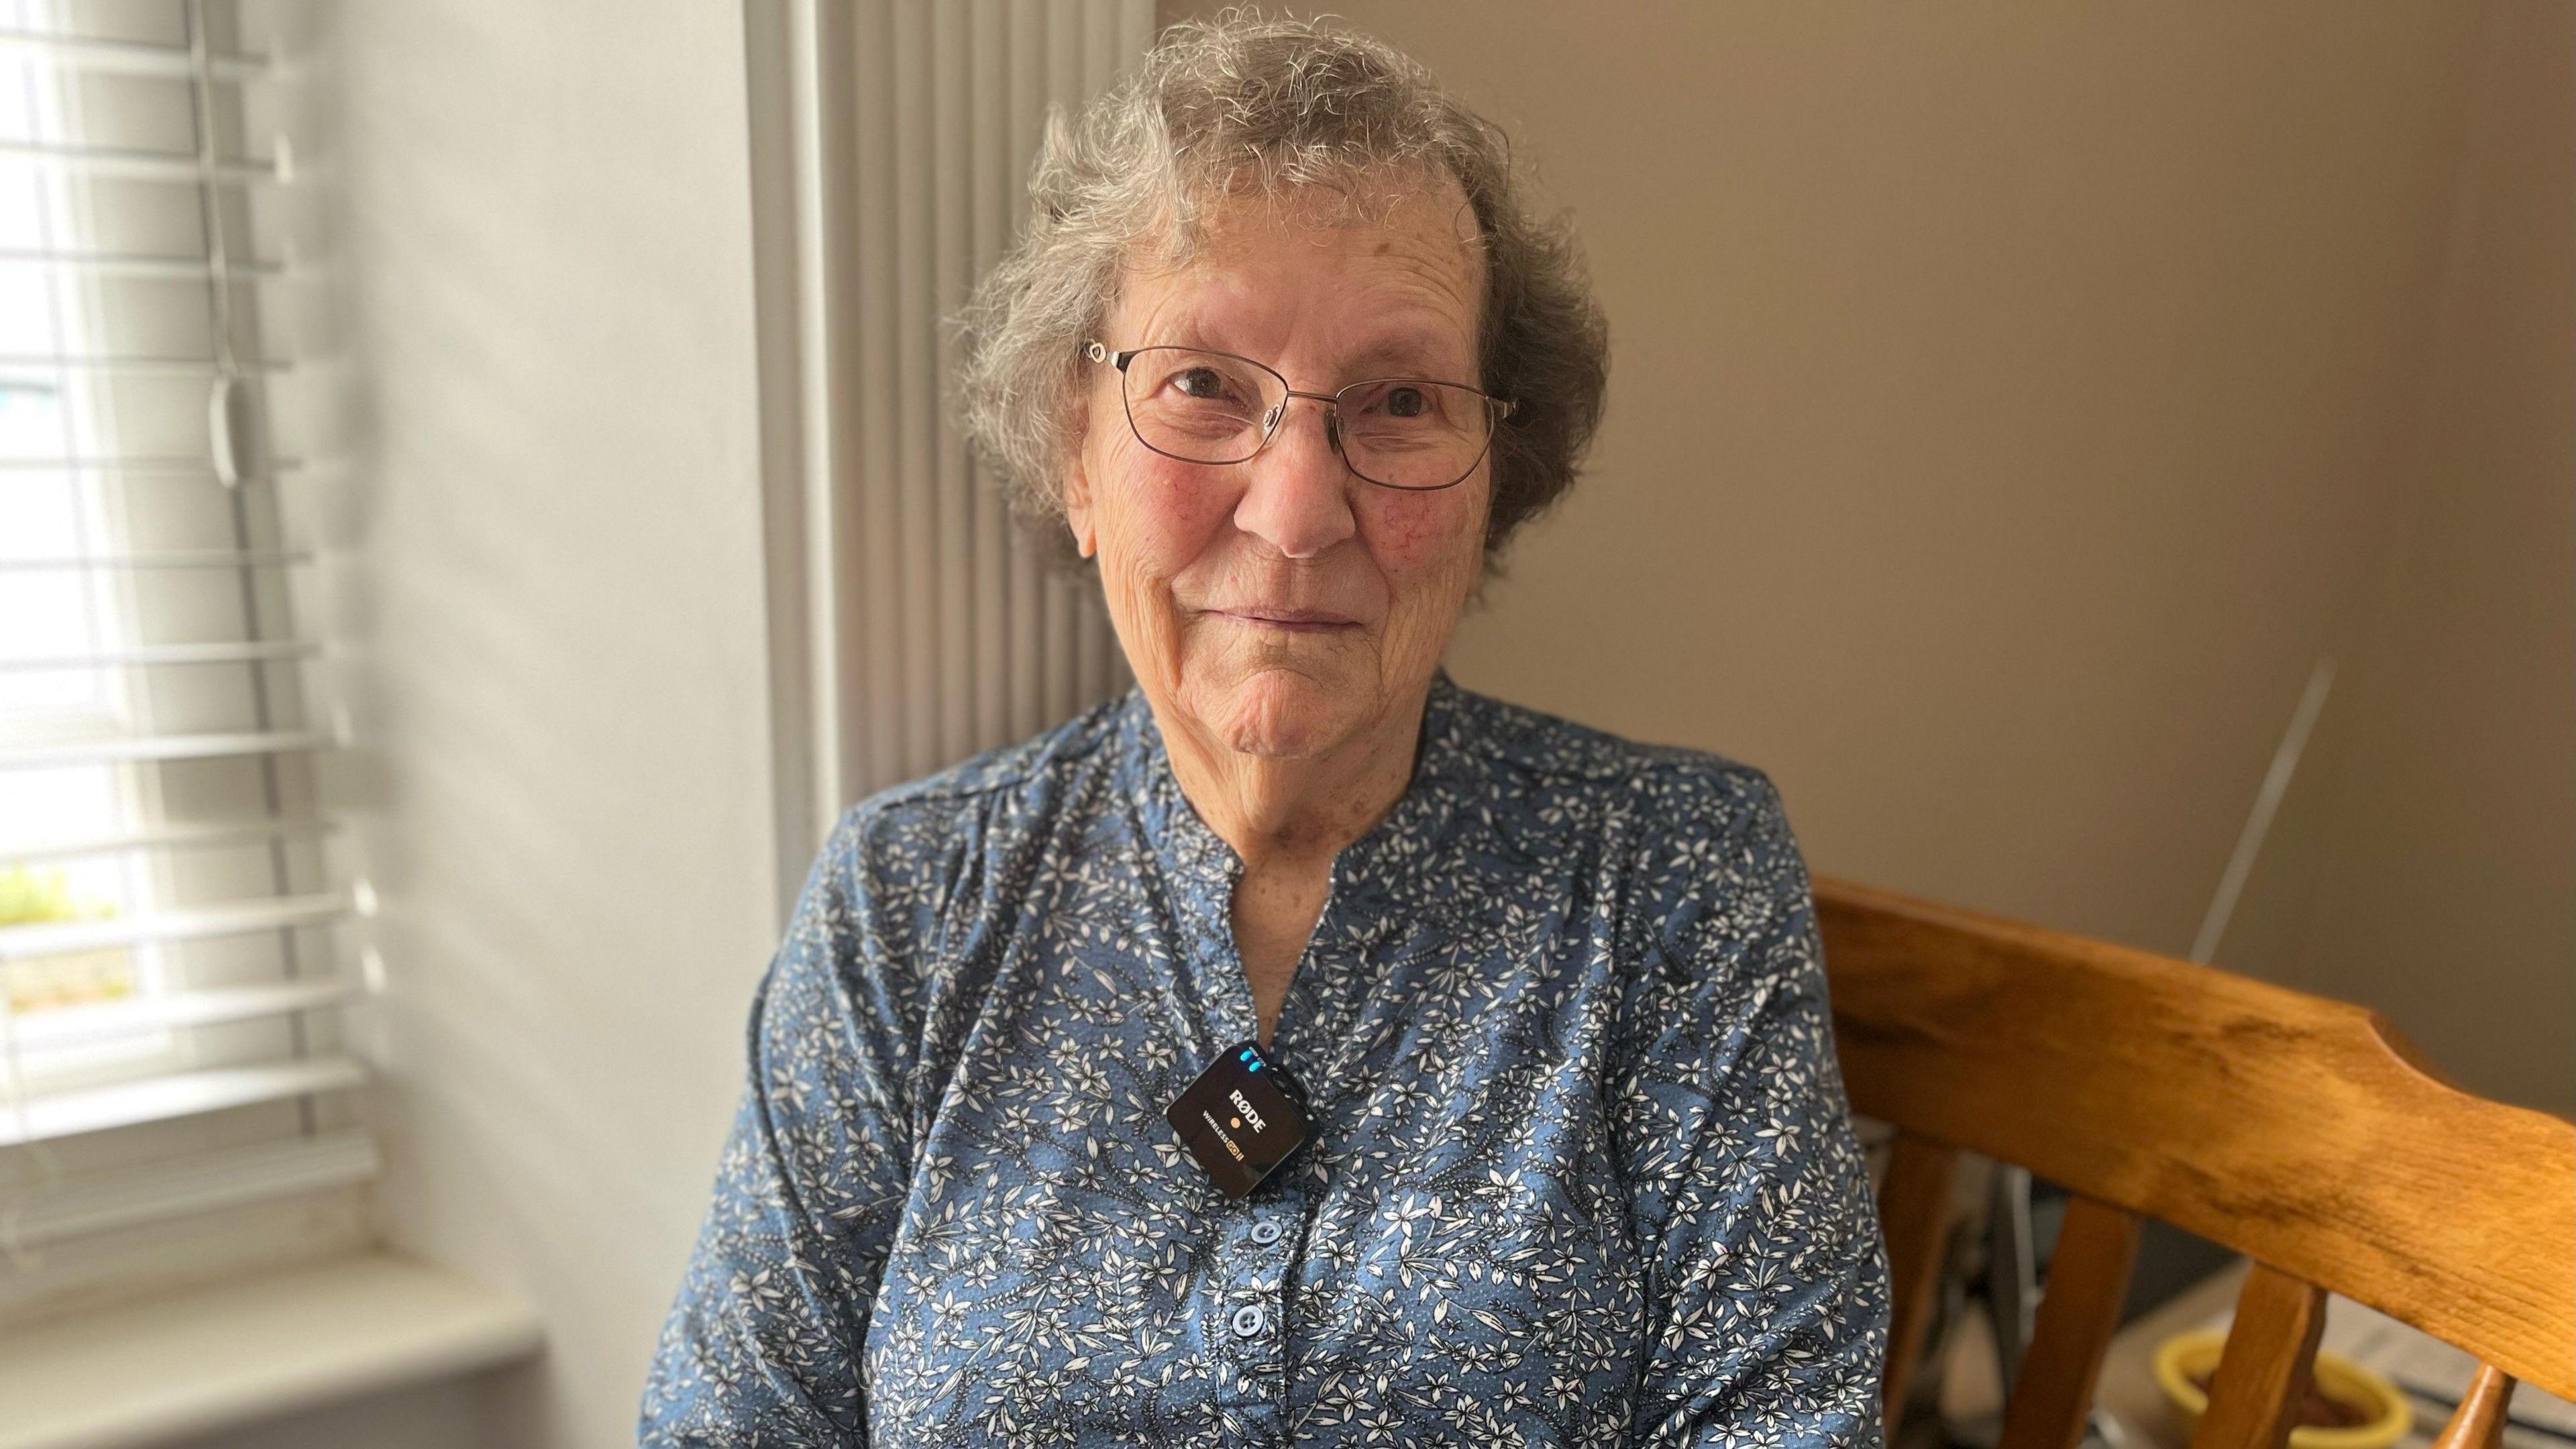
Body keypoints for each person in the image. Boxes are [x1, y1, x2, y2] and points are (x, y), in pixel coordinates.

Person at [640, 12, 1888, 1446]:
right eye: (1200, 388)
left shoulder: (1674, 880)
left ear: (1498, 472)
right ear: (1075, 454)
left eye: (1402, 401)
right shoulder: (908, 910)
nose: (1295, 515)